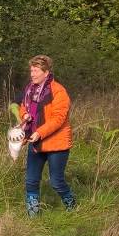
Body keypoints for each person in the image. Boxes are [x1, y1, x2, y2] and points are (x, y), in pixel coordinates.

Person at [16, 54, 75, 217]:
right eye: (31, 71)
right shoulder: (29, 89)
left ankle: (72, 206)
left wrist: (39, 132)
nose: (32, 74)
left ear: (46, 72)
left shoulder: (59, 91)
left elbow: (59, 119)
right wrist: (25, 116)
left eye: (36, 71)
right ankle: (33, 216)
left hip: (57, 143)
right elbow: (23, 107)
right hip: (35, 142)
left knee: (56, 182)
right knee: (31, 181)